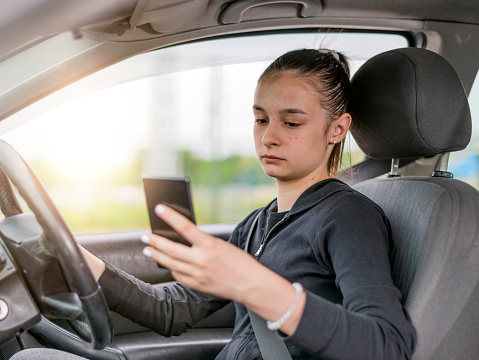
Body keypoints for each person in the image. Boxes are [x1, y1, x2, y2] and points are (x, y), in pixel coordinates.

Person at [13, 48, 417, 359]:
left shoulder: (349, 217)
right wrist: (79, 260)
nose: (269, 137)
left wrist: (257, 286)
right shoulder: (257, 225)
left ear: (337, 129)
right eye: (261, 119)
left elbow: (387, 345)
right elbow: (170, 311)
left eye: (291, 122)